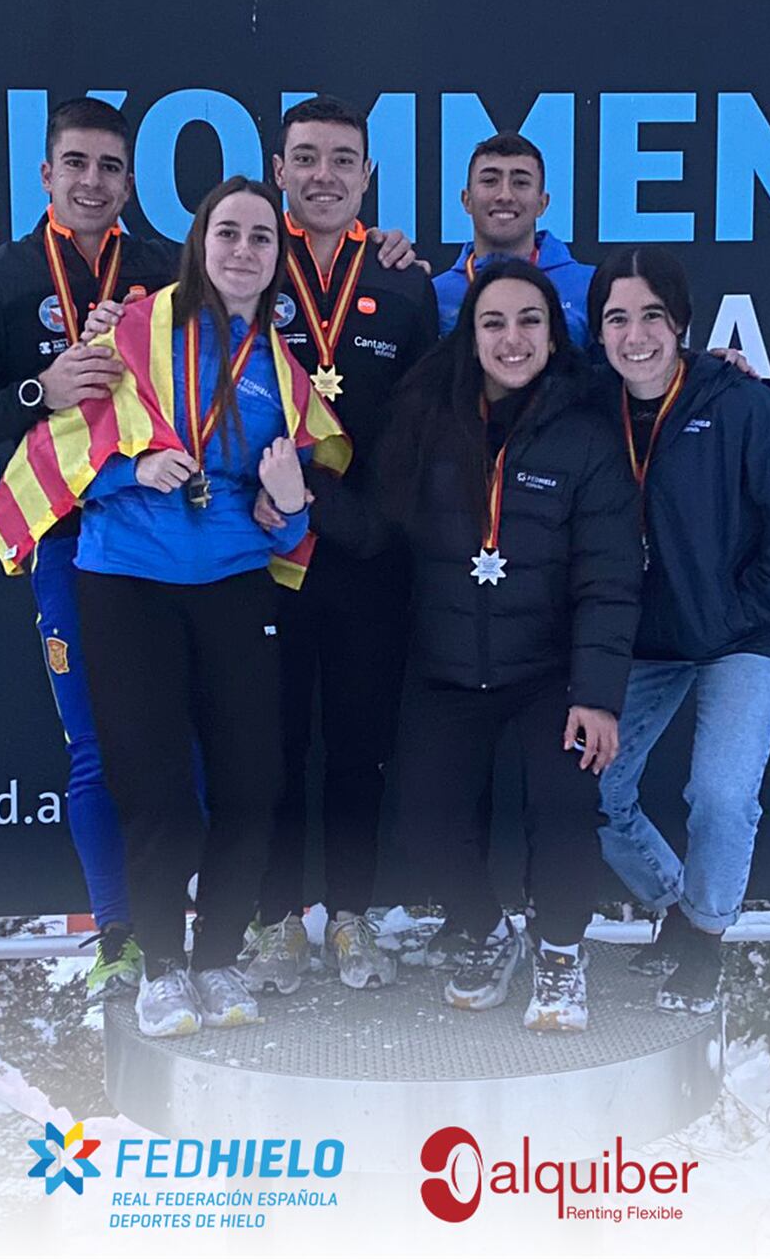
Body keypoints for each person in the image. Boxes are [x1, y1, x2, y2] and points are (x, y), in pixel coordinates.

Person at [0, 176, 350, 1037]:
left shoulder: (275, 362)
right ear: (200, 241)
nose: (245, 250)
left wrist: (291, 505)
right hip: (126, 584)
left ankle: (218, 958)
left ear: (277, 254)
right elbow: (62, 442)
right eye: (229, 233)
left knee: (252, 781)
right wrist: (126, 470)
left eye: (262, 237)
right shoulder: (135, 331)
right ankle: (162, 969)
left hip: (232, 584)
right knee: (155, 791)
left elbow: (286, 503)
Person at [320, 259, 643, 1030]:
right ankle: (491, 932)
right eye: (493, 322)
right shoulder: (428, 415)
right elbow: (375, 531)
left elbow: (609, 578)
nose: (512, 338)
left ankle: (561, 955)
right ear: (470, 334)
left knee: (566, 807)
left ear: (554, 333)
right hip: (445, 669)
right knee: (424, 823)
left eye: (529, 321)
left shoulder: (589, 432)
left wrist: (596, 696)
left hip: (550, 672)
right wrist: (306, 502)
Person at [0, 97, 177, 999]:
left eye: (110, 167)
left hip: (172, 538)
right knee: (97, 748)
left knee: (199, 735)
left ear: (131, 179)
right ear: (47, 174)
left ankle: (214, 928)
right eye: (77, 164)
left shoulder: (169, 271)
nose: (93, 182)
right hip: (68, 542)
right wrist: (43, 385)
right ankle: (119, 936)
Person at [590, 246, 770, 1015]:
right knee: (593, 793)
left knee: (722, 797)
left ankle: (703, 938)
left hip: (741, 632)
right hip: (647, 637)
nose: (636, 336)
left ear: (682, 324)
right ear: (597, 331)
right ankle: (676, 903)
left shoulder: (739, 402)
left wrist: (743, 608)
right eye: (617, 318)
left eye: (652, 317)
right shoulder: (586, 409)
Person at [244, 94, 440, 994]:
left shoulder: (405, 283)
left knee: (359, 742)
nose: (324, 175)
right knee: (273, 743)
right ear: (279, 169)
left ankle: (353, 915)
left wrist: (368, 525)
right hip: (265, 547)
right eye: (306, 158)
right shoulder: (240, 262)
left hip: (371, 555)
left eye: (343, 160)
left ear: (367, 176)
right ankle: (280, 918)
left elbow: (426, 431)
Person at [434, 131, 594, 347]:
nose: (505, 195)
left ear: (542, 203)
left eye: (520, 182)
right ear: (466, 200)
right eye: (490, 181)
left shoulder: (589, 286)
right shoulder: (435, 295)